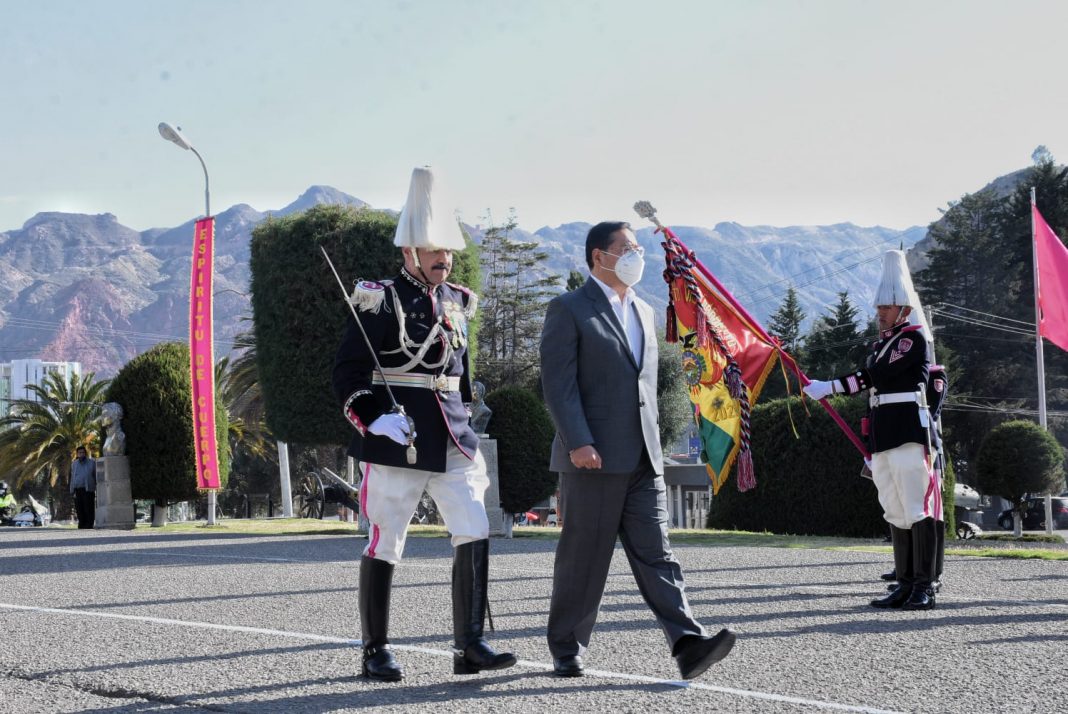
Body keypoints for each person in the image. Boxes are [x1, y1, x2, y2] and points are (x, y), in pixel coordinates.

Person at [332, 166, 515, 682]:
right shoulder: (379, 297)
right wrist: (372, 418)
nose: (443, 258)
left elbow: (461, 375)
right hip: (400, 435)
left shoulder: (457, 300)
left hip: (454, 435)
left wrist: (470, 420)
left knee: (474, 527)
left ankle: (470, 645)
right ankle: (375, 649)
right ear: (409, 251)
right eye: (433, 249)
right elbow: (347, 371)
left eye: (448, 250)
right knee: (386, 538)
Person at [539, 220, 736, 680]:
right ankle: (566, 647)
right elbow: (558, 385)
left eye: (636, 248)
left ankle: (688, 643)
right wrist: (579, 441)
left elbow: (645, 385)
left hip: (644, 458)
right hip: (592, 458)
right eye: (626, 248)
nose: (636, 256)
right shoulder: (569, 308)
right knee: (584, 558)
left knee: (658, 553)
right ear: (598, 257)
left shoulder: (645, 311)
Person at [803, 250, 938, 611]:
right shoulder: (882, 345)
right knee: (893, 508)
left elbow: (874, 378)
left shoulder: (912, 340)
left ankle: (924, 586)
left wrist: (829, 386)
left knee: (914, 505)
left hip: (907, 430)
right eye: (879, 306)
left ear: (904, 310)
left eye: (888, 306)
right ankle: (905, 582)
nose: (880, 312)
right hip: (883, 433)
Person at [70, 446, 97, 529]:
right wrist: (72, 489)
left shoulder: (92, 463)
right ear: (77, 454)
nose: (81, 454)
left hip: (88, 489)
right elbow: (72, 477)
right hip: (77, 489)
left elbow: (95, 475)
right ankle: (81, 524)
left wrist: (96, 487)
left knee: (88, 508)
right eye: (79, 453)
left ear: (85, 453)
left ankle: (89, 525)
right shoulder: (74, 464)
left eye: (83, 452)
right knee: (79, 508)